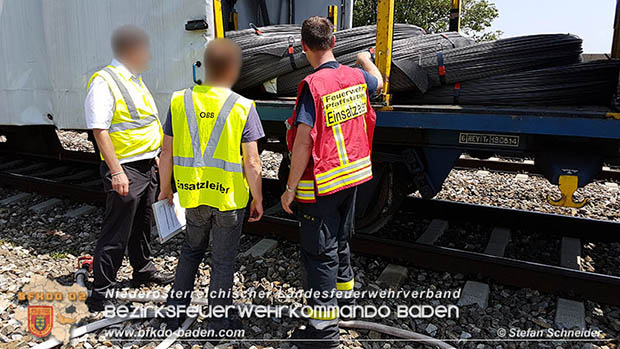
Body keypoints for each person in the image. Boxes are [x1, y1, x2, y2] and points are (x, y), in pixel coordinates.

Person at [280, 16, 383, 348]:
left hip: (320, 183)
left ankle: (323, 334)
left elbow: (304, 142)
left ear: (304, 47)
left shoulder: (313, 86)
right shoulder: (356, 77)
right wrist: (366, 58)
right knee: (340, 243)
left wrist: (290, 187)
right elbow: (378, 83)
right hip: (352, 176)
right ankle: (344, 306)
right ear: (333, 42)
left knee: (319, 254)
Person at [158, 38, 264, 335]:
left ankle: (173, 314)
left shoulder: (180, 100)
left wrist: (165, 189)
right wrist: (258, 199)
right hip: (229, 200)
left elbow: (165, 153)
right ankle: (218, 324)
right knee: (222, 261)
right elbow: (253, 163)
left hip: (193, 196)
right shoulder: (243, 107)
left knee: (191, 251)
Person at [84, 25, 174, 312]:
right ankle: (102, 291)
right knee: (117, 228)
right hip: (125, 167)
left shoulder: (135, 79)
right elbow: (100, 130)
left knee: (142, 223)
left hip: (146, 164)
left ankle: (143, 269)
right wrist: (116, 171)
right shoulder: (104, 81)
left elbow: (146, 122)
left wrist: (157, 156)